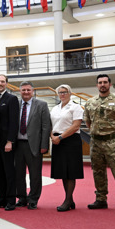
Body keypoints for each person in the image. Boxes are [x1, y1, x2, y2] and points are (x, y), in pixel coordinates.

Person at [84, 74, 115, 213]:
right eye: (100, 82)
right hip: (96, 142)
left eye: (105, 82)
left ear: (110, 84)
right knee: (98, 172)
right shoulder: (90, 102)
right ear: (97, 85)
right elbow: (88, 122)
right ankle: (101, 199)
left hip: (113, 142)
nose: (102, 84)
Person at [15, 81, 51, 210]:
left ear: (33, 91)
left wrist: (44, 145)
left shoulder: (41, 105)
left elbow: (46, 126)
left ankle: (33, 199)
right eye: (23, 90)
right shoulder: (16, 104)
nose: (26, 92)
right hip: (17, 145)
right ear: (20, 91)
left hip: (34, 145)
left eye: (28, 90)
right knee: (18, 174)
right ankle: (21, 197)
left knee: (35, 174)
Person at [50, 84, 84, 212]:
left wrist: (61, 137)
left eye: (65, 92)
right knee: (63, 172)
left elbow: (76, 126)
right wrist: (52, 136)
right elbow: (50, 124)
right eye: (60, 92)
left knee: (71, 172)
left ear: (70, 93)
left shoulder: (75, 107)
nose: (62, 94)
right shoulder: (55, 108)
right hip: (57, 141)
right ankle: (70, 199)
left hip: (71, 141)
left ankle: (67, 200)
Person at [0, 74, 19, 211]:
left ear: (7, 83)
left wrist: (10, 141)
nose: (0, 83)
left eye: (3, 81)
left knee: (9, 171)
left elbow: (14, 122)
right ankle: (1, 198)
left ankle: (11, 200)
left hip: (6, 142)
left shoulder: (12, 99)